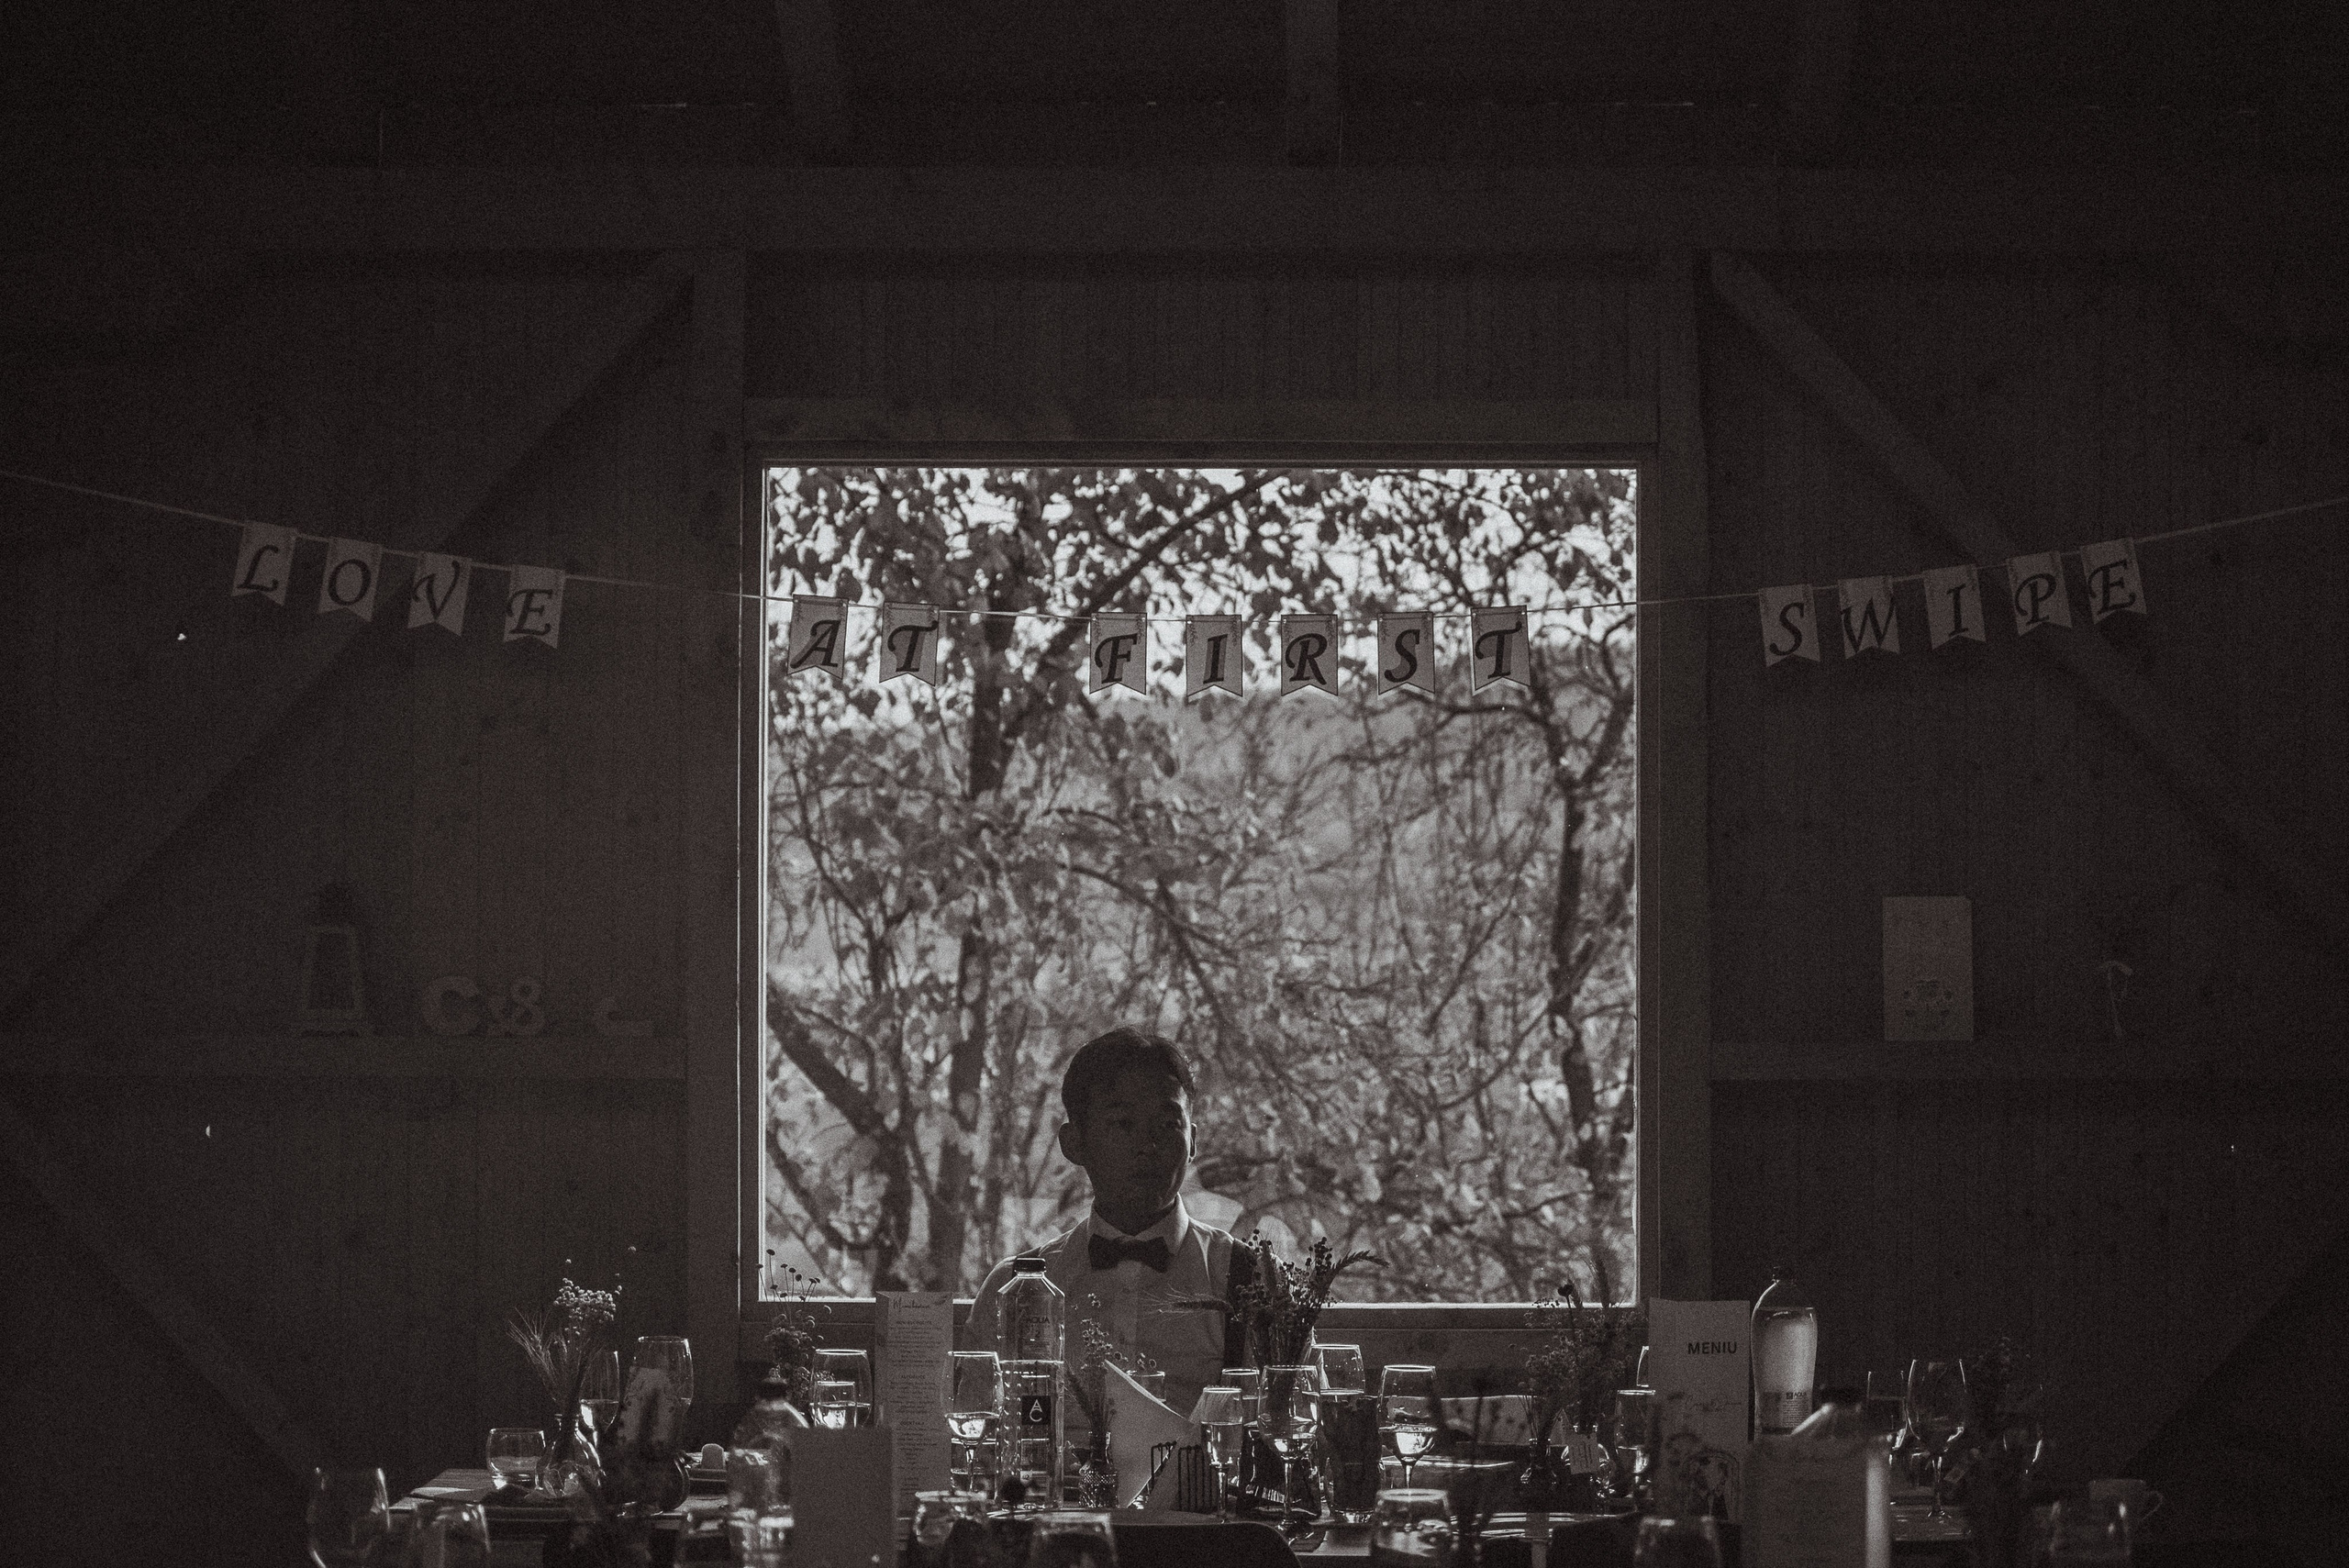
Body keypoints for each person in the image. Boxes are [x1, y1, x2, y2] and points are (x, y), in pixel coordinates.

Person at [964, 1027, 1246, 1423]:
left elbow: (1298, 1429)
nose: (1148, 1144)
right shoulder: (1012, 1291)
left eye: (1168, 1125)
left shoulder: (1249, 1282)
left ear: (1193, 1140)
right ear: (1073, 1143)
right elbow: (975, 1436)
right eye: (1122, 1124)